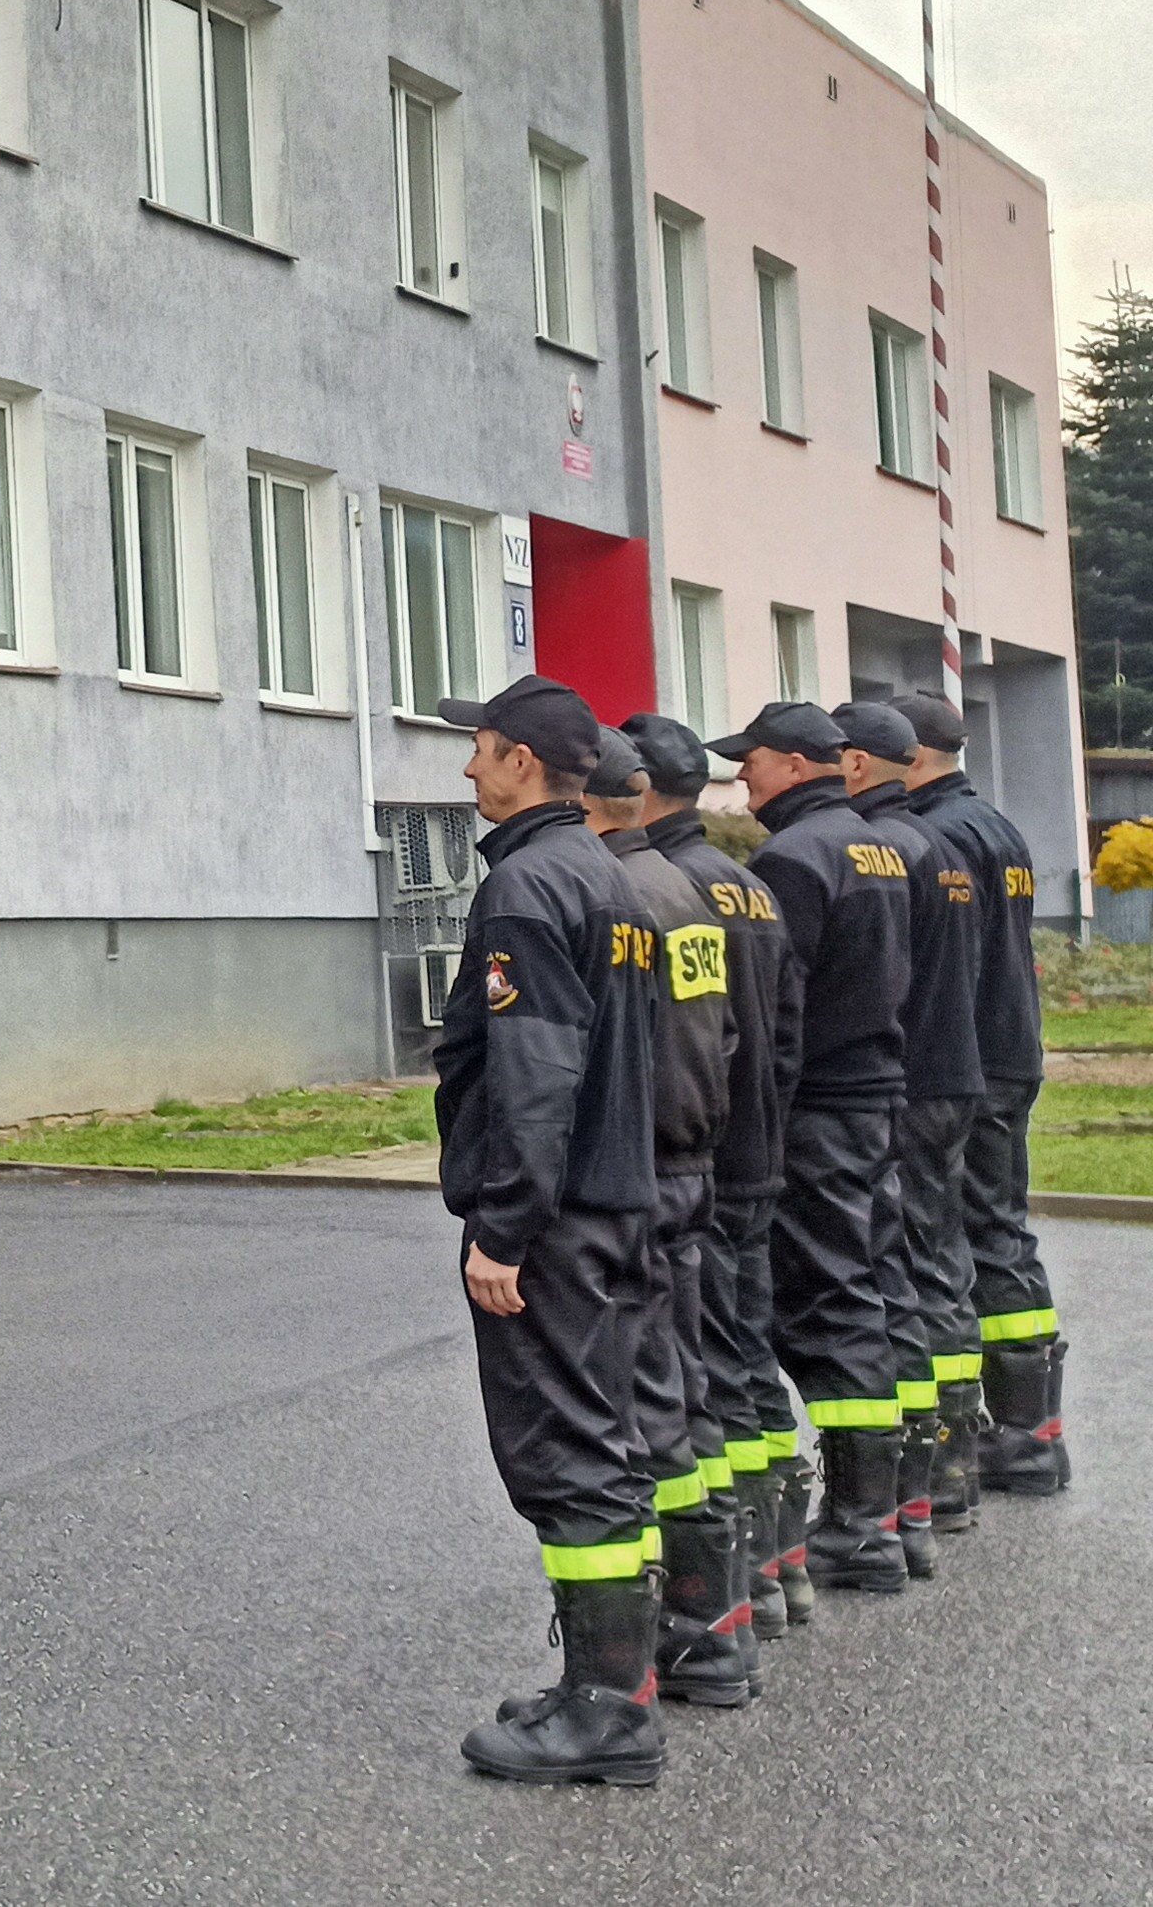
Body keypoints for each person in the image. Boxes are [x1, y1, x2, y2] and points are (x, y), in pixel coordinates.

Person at [436, 676, 667, 1789]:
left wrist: (504, 1230)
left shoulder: (527, 885)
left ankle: (606, 1715)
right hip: (616, 1197)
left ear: (520, 760)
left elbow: (535, 1072)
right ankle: (606, 1687)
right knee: (605, 1443)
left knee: (568, 1455)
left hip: (558, 1219)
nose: (467, 766)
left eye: (479, 747)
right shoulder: (609, 874)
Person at [710, 698, 914, 1593]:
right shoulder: (878, 844)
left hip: (819, 1107)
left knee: (830, 1303)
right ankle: (882, 1516)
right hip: (873, 1094)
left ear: (795, 764)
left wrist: (756, 1121)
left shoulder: (793, 857)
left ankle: (863, 1528)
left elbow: (775, 1008)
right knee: (863, 1288)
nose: (741, 776)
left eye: (750, 760)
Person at [626, 712, 811, 1639]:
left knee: (706, 1373)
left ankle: (737, 1583)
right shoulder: (749, 884)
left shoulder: (662, 887)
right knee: (747, 1360)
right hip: (756, 1153)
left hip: (701, 1157)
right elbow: (784, 1028)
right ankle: (778, 1565)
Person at [584, 723, 754, 1709]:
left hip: (640, 1172)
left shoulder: (618, 894)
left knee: (641, 1403)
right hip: (688, 1160)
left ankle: (668, 1644)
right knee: (683, 1394)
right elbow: (722, 1037)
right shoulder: (683, 888)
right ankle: (712, 1627)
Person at [898, 690, 1072, 1494]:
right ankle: (1031, 1431)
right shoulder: (995, 825)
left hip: (968, 1058)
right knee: (1001, 1229)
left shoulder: (940, 835)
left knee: (956, 1240)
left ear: (911, 756)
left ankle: (973, 1435)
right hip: (1011, 1046)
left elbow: (949, 960)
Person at [839, 696, 978, 1564]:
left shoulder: (891, 847)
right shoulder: (939, 844)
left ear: (856, 763)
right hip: (951, 1071)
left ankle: (926, 1479)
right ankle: (946, 1471)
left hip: (912, 1082)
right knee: (938, 1261)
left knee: (907, 1270)